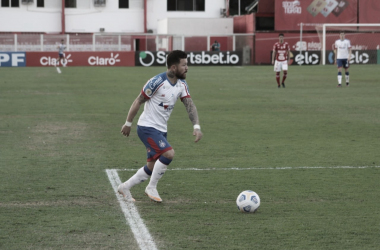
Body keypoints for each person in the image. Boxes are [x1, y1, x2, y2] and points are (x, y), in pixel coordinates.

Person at [118, 50, 203, 203]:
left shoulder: (182, 84)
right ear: (173, 67)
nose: (187, 68)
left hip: (161, 130)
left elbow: (190, 105)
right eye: (184, 65)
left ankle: (125, 187)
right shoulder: (157, 82)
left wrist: (196, 126)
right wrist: (128, 123)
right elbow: (139, 100)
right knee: (169, 154)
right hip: (146, 127)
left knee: (150, 167)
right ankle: (151, 187)